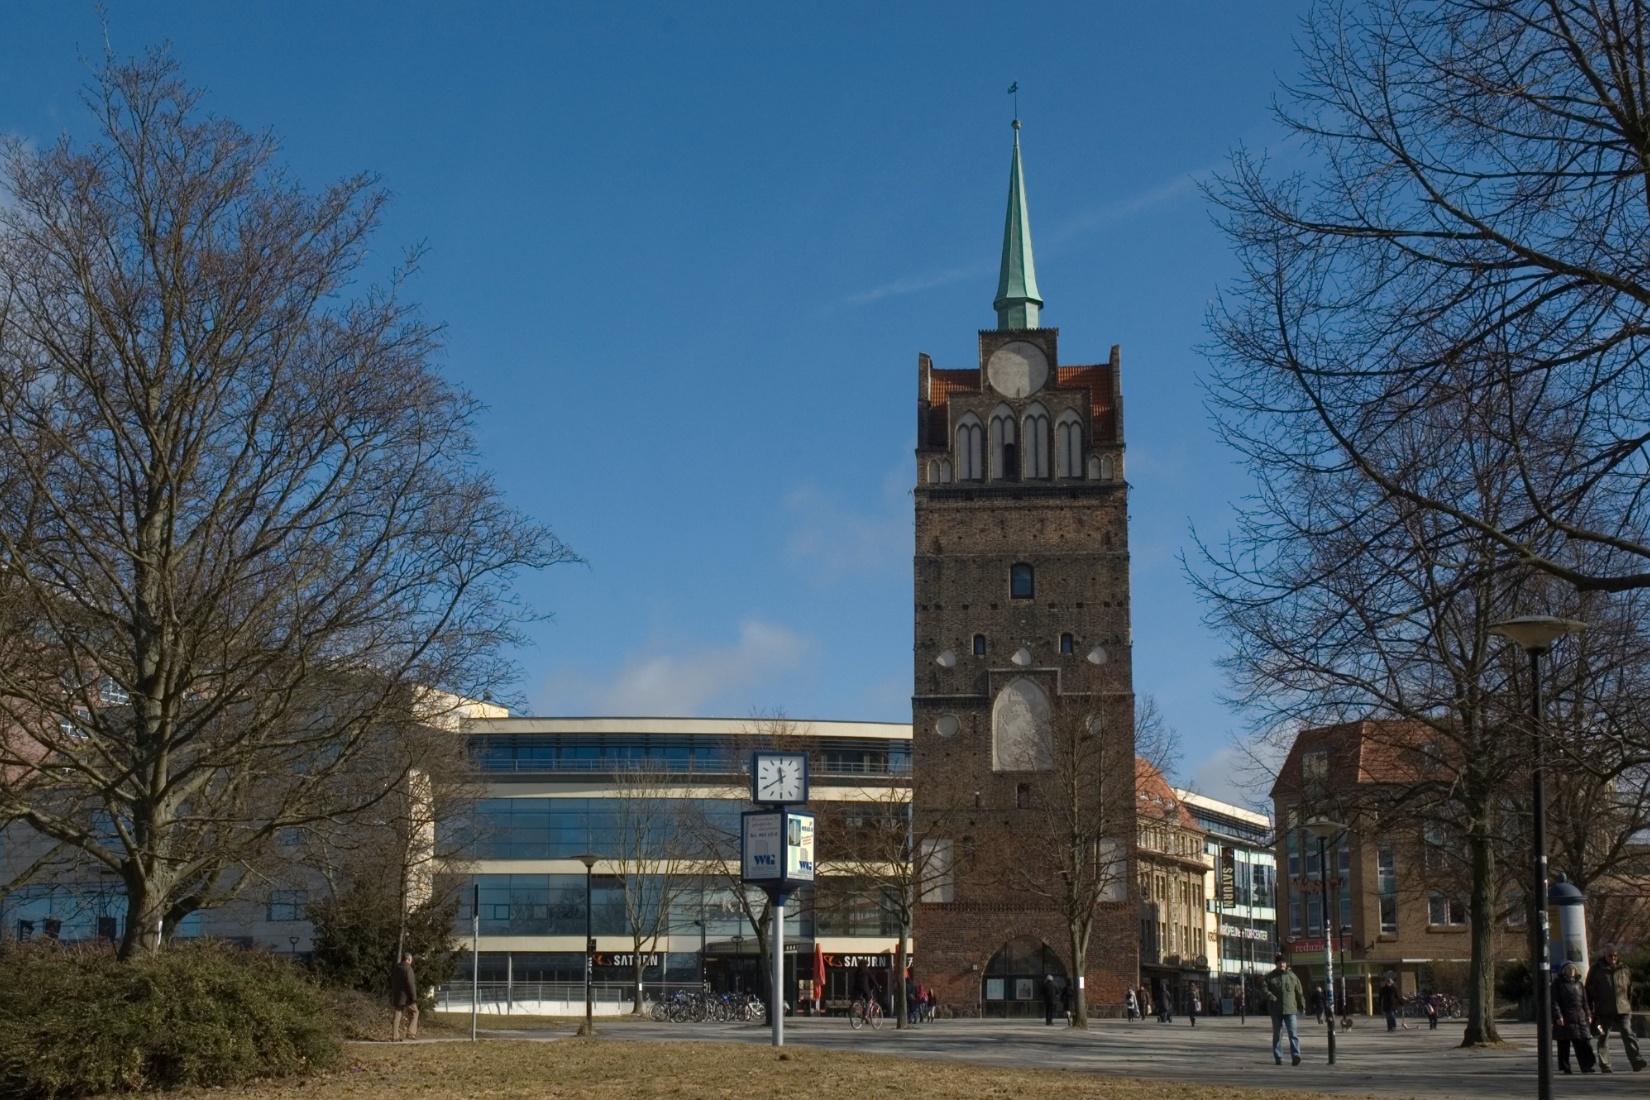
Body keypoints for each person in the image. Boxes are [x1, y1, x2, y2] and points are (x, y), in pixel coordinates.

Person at [1586, 945, 1645, 1073]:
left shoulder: (1624, 969)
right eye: (1610, 955)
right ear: (1605, 955)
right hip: (1603, 1010)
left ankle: (1636, 1060)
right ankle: (1605, 1065)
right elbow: (1589, 990)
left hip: (1623, 1009)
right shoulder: (1596, 970)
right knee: (1603, 1036)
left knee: (1627, 1032)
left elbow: (1630, 988)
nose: (1613, 958)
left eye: (1615, 955)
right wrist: (1591, 1010)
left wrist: (1629, 1005)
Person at [1553, 962, 1598, 1073]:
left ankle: (1586, 1066)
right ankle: (1565, 1067)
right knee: (1564, 1043)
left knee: (1582, 1043)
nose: (1572, 971)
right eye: (1569, 969)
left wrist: (1588, 1014)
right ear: (1564, 971)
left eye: (1573, 969)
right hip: (1565, 1016)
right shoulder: (1558, 984)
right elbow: (1554, 1001)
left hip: (1579, 1017)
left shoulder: (1579, 984)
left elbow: (1584, 1002)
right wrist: (1558, 1016)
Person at [1264, 953, 1305, 1066]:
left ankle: (1296, 1055)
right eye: (1279, 963)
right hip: (1276, 1010)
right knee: (1277, 1035)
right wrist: (1269, 995)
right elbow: (1264, 988)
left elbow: (1299, 993)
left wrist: (1302, 1006)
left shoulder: (1292, 976)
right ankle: (1278, 1057)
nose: (1282, 964)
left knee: (1293, 1034)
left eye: (1283, 962)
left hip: (1290, 1010)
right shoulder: (1270, 977)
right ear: (1276, 964)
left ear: (1286, 964)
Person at [390, 952, 418, 1041]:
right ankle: (410, 1032)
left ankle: (395, 1036)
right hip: (406, 997)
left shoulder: (396, 968)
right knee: (415, 1012)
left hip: (397, 995)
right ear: (409, 959)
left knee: (397, 1014)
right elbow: (410, 984)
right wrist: (413, 996)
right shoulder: (408, 969)